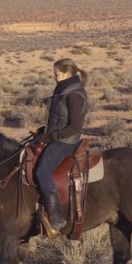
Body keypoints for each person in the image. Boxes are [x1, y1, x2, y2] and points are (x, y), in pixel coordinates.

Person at [34, 57, 88, 232]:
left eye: (56, 74)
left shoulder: (73, 95)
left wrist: (50, 137)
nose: (54, 77)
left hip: (65, 142)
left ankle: (55, 216)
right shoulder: (63, 90)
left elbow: (75, 126)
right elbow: (59, 119)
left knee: (42, 172)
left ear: (67, 73)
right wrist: (44, 132)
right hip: (56, 137)